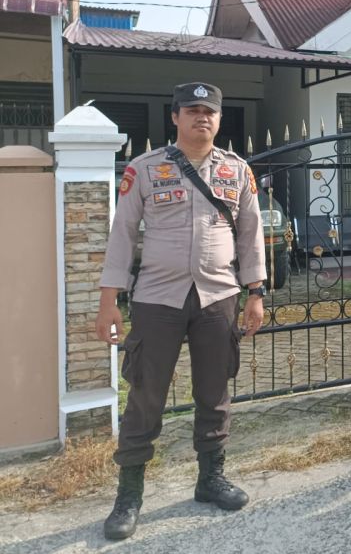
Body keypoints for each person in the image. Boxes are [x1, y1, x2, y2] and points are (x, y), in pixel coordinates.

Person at [95, 83, 267, 540]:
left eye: (209, 111)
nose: (201, 118)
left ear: (218, 119)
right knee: (145, 397)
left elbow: (251, 233)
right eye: (191, 111)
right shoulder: (145, 169)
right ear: (175, 118)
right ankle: (129, 496)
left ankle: (210, 479)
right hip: (156, 298)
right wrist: (109, 301)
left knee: (214, 393)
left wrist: (256, 292)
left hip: (218, 296)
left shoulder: (237, 170)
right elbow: (122, 234)